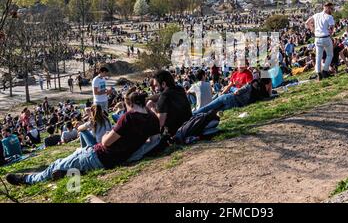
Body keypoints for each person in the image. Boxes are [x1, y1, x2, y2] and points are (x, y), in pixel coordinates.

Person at [5, 89, 161, 186]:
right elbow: (154, 141)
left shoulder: (129, 117)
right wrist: (133, 154)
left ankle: (27, 180)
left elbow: (106, 143)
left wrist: (108, 134)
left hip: (98, 155)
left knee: (56, 164)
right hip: (114, 159)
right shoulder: (153, 118)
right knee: (73, 160)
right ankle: (71, 172)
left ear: (131, 104)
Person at [193, 78, 273, 116]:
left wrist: (235, 90)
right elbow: (269, 95)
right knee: (211, 113)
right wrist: (270, 86)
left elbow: (237, 92)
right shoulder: (261, 95)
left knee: (207, 108)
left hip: (229, 98)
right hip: (234, 105)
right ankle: (194, 117)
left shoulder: (251, 86)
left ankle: (191, 115)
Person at [147, 70, 192, 137]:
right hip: (189, 126)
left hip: (175, 133)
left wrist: (151, 108)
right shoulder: (180, 89)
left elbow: (160, 123)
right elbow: (164, 94)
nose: (155, 89)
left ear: (163, 84)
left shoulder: (164, 97)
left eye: (156, 85)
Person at [306, 2, 336, 80]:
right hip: (325, 37)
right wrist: (330, 33)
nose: (331, 10)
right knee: (330, 55)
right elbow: (332, 28)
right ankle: (325, 71)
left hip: (317, 37)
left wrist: (313, 30)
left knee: (318, 56)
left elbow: (307, 23)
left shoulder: (316, 15)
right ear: (328, 8)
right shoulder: (329, 17)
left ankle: (318, 73)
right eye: (331, 8)